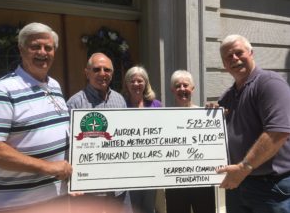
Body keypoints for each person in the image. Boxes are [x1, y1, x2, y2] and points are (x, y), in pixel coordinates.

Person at [0, 22, 72, 212]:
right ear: (21, 49)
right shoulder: (2, 90)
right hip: (18, 203)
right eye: (35, 46)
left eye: (48, 48)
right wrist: (47, 167)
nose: (42, 52)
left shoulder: (54, 85)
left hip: (58, 197)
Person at [215, 34, 290, 213]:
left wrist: (244, 167)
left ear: (251, 53)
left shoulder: (269, 83)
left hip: (271, 188)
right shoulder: (228, 95)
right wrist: (212, 114)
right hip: (238, 184)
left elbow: (278, 132)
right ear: (225, 65)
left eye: (239, 52)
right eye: (228, 56)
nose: (234, 58)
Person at [66, 52, 129, 209]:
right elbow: (67, 145)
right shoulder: (75, 103)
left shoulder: (119, 100)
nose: (102, 74)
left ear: (112, 74)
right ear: (87, 73)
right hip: (88, 190)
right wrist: (72, 181)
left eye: (107, 70)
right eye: (97, 69)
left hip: (117, 186)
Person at [165, 70, 216, 213]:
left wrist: (217, 116)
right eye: (177, 86)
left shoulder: (206, 115)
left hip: (202, 181)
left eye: (185, 85)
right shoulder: (164, 118)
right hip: (175, 182)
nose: (182, 89)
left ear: (192, 88)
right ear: (172, 90)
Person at [122, 66, 162, 213]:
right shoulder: (121, 105)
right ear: (126, 84)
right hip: (128, 167)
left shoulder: (156, 105)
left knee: (148, 206)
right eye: (132, 81)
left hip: (150, 166)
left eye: (140, 81)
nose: (136, 84)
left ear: (146, 83)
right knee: (132, 207)